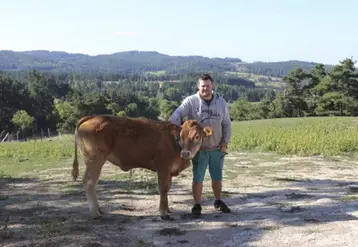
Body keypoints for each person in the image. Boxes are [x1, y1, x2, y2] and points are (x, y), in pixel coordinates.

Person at [170, 73, 232, 216]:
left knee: (217, 177)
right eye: (203, 86)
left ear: (213, 86)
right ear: (198, 87)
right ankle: (197, 205)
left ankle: (218, 201)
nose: (205, 89)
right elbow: (177, 113)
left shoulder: (221, 102)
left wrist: (225, 142)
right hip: (198, 150)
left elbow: (227, 124)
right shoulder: (191, 101)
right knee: (198, 177)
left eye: (208, 86)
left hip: (217, 147)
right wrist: (175, 130)